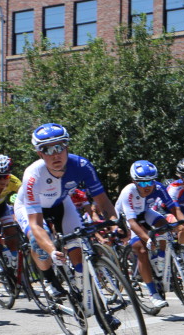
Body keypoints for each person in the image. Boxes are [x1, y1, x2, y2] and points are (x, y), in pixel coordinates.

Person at [14, 123, 117, 300]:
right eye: (47, 149)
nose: (55, 154)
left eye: (59, 147)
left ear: (67, 146)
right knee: (38, 241)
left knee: (77, 242)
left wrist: (115, 225)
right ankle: (49, 280)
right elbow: (35, 224)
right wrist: (52, 251)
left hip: (61, 202)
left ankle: (80, 286)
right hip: (30, 209)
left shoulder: (82, 165)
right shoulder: (33, 175)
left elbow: (103, 201)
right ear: (40, 154)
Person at [114, 160, 181, 311]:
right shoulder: (128, 192)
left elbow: (172, 207)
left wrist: (182, 224)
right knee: (141, 249)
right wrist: (148, 239)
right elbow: (132, 222)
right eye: (142, 183)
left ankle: (160, 260)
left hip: (144, 212)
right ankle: (153, 294)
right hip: (126, 219)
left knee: (165, 226)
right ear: (134, 182)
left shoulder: (158, 187)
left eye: (150, 182)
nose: (148, 186)